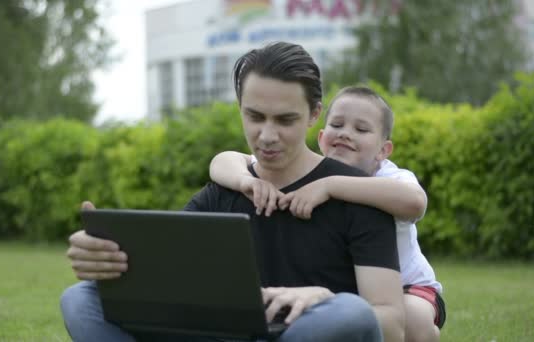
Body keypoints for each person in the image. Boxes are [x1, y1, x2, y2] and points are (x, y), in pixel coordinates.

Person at [60, 42, 405, 342]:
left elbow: (389, 324)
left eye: (284, 120)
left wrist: (325, 299)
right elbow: (164, 273)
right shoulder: (223, 191)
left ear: (314, 114)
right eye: (254, 116)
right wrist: (105, 258)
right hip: (218, 336)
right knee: (81, 299)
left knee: (349, 312)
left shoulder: (358, 193)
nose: (267, 136)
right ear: (240, 106)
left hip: (306, 333)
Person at [209, 86, 446, 342]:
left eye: (361, 129)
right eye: (337, 125)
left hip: (410, 286)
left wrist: (330, 185)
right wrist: (246, 181)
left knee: (412, 321)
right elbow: (224, 160)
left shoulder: (388, 176)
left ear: (383, 151)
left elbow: (415, 202)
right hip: (356, 287)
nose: (346, 134)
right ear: (321, 138)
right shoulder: (301, 169)